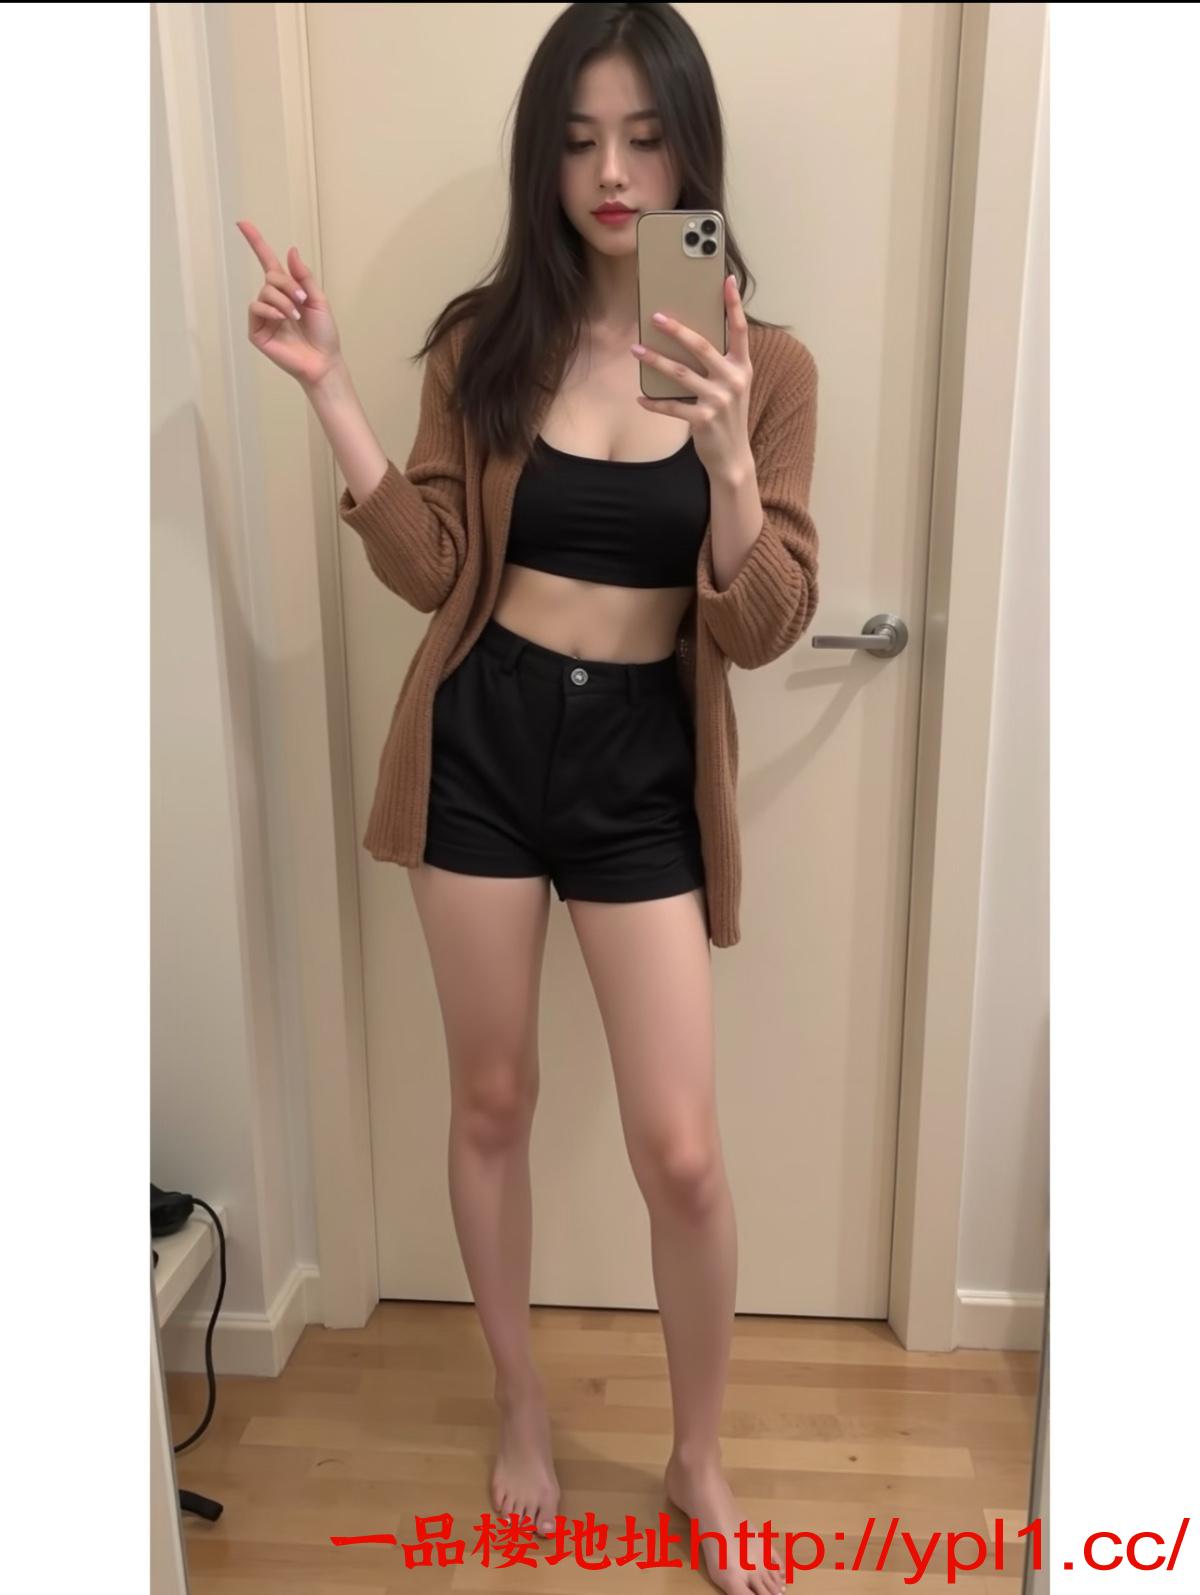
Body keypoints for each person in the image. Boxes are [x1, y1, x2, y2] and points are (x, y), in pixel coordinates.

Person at [238, 8, 818, 1592]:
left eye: (643, 137)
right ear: (541, 159)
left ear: (692, 150)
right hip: (483, 744)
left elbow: (764, 626)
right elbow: (433, 567)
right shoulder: (487, 343)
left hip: (643, 772)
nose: (612, 172)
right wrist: (332, 393)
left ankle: (698, 1456)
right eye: (577, 141)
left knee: (680, 1150)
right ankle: (517, 1403)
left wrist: (731, 462)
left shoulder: (765, 367)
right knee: (491, 1101)